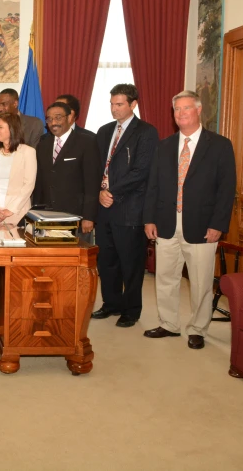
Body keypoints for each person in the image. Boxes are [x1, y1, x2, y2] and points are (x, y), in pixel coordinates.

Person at [143, 91, 236, 349]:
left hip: (203, 226)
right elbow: (153, 186)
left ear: (198, 110)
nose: (181, 114)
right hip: (166, 223)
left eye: (186, 108)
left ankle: (198, 328)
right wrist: (149, 218)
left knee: (200, 281)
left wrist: (218, 224)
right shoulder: (164, 146)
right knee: (165, 278)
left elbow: (226, 189)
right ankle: (169, 324)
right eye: (177, 110)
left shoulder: (219, 145)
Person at [91, 84, 159, 328]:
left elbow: (142, 171)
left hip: (130, 208)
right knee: (106, 261)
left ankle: (131, 310)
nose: (114, 109)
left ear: (133, 104)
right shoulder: (104, 131)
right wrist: (100, 192)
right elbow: (97, 168)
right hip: (105, 207)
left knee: (130, 263)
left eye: (119, 104)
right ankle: (111, 304)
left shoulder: (146, 132)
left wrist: (112, 191)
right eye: (111, 103)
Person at [33, 102, 102, 243]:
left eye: (58, 118)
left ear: (69, 118)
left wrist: (88, 216)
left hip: (76, 216)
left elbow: (92, 183)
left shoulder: (86, 142)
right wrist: (36, 212)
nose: (53, 123)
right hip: (47, 216)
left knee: (77, 260)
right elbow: (40, 181)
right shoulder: (43, 144)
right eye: (49, 119)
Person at [0, 113, 36, 225]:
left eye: (0, 127)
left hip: (18, 213)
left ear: (12, 129)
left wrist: (10, 210)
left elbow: (29, 185)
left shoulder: (28, 152)